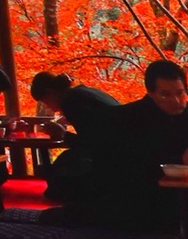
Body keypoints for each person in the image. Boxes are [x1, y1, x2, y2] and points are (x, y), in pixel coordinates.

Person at [78, 59, 188, 233]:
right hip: (137, 190)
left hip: (178, 183)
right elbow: (131, 165)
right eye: (165, 95)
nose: (176, 101)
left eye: (180, 93)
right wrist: (179, 160)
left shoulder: (187, 112)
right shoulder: (127, 118)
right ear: (151, 93)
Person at [30, 70, 121, 201]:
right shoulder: (82, 92)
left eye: (45, 101)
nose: (48, 107)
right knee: (64, 160)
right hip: (120, 145)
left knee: (62, 167)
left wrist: (62, 134)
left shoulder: (70, 101)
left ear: (50, 92)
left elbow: (91, 143)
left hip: (112, 154)